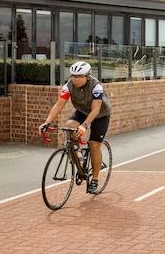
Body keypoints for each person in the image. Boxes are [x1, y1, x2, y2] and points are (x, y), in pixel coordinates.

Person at [40, 61, 111, 193]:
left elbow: (95, 110)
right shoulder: (68, 86)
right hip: (82, 111)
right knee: (69, 126)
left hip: (100, 115)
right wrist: (47, 122)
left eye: (79, 76)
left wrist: (84, 126)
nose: (75, 79)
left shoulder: (96, 87)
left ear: (87, 76)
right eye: (73, 76)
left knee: (94, 145)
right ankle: (78, 155)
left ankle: (95, 180)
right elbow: (59, 105)